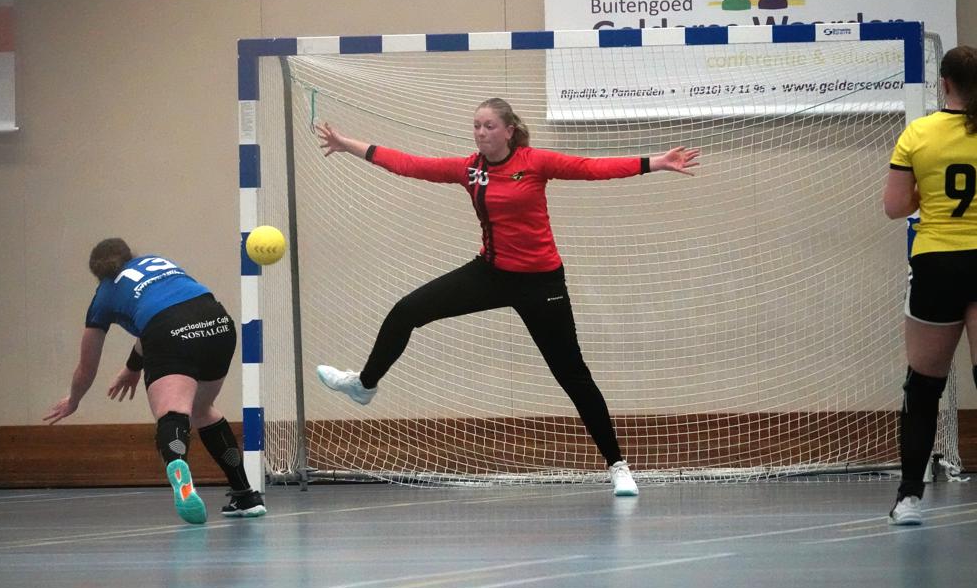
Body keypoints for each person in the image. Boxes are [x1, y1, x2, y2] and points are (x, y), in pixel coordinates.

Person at [314, 97, 700, 496]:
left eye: (489, 126)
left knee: (572, 375)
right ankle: (364, 385)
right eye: (476, 126)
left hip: (542, 284)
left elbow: (591, 168)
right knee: (406, 310)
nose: (481, 133)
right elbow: (408, 164)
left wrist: (654, 162)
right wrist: (347, 144)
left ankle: (618, 466)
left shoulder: (535, 162)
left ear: (509, 131)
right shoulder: (469, 170)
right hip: (491, 274)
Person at [44, 238, 267, 524]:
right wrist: (132, 368)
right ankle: (246, 496)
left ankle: (178, 467)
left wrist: (74, 400)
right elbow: (171, 310)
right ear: (130, 254)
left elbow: (87, 367)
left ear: (98, 274)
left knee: (173, 412)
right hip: (217, 323)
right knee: (202, 409)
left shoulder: (104, 295)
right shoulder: (158, 262)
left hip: (168, 330)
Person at [883, 45, 977, 525]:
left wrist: (927, 189)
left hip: (938, 261)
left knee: (923, 386)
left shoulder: (918, 134)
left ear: (944, 84)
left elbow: (895, 207)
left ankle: (909, 499)